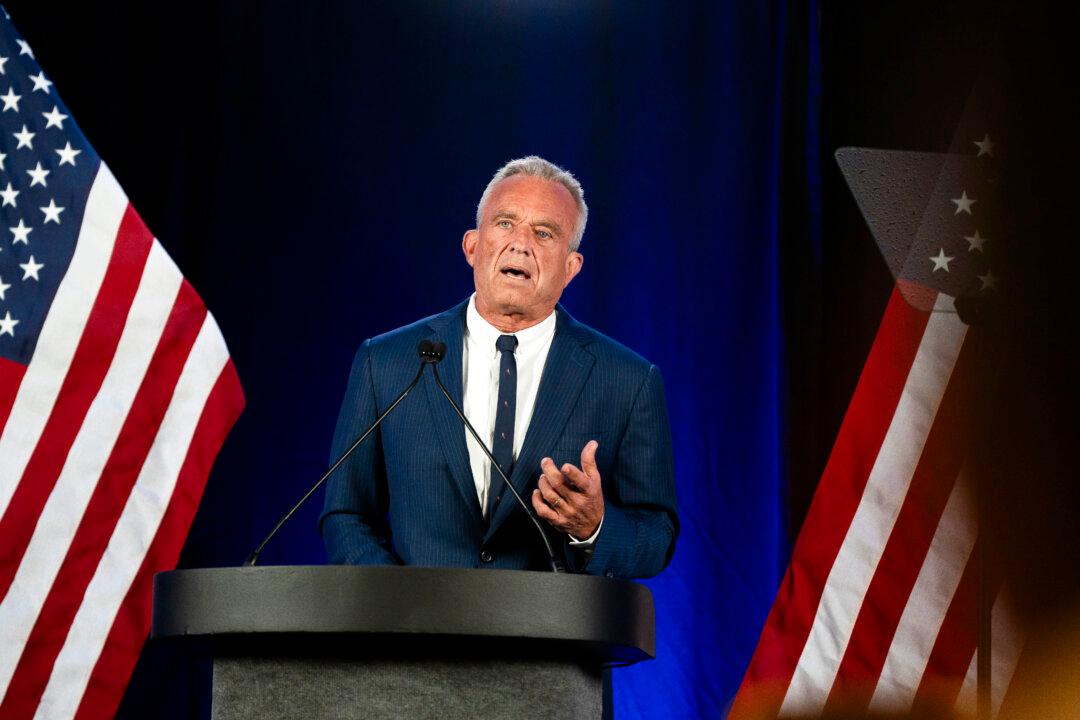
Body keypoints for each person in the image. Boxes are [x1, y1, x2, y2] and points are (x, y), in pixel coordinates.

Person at [320, 156, 677, 578]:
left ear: (571, 267)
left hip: (553, 639)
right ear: (472, 246)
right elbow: (346, 514)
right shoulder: (386, 363)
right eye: (505, 223)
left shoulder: (628, 381)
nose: (520, 243)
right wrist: (400, 605)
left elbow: (656, 535)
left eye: (544, 232)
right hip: (416, 636)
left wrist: (594, 528)